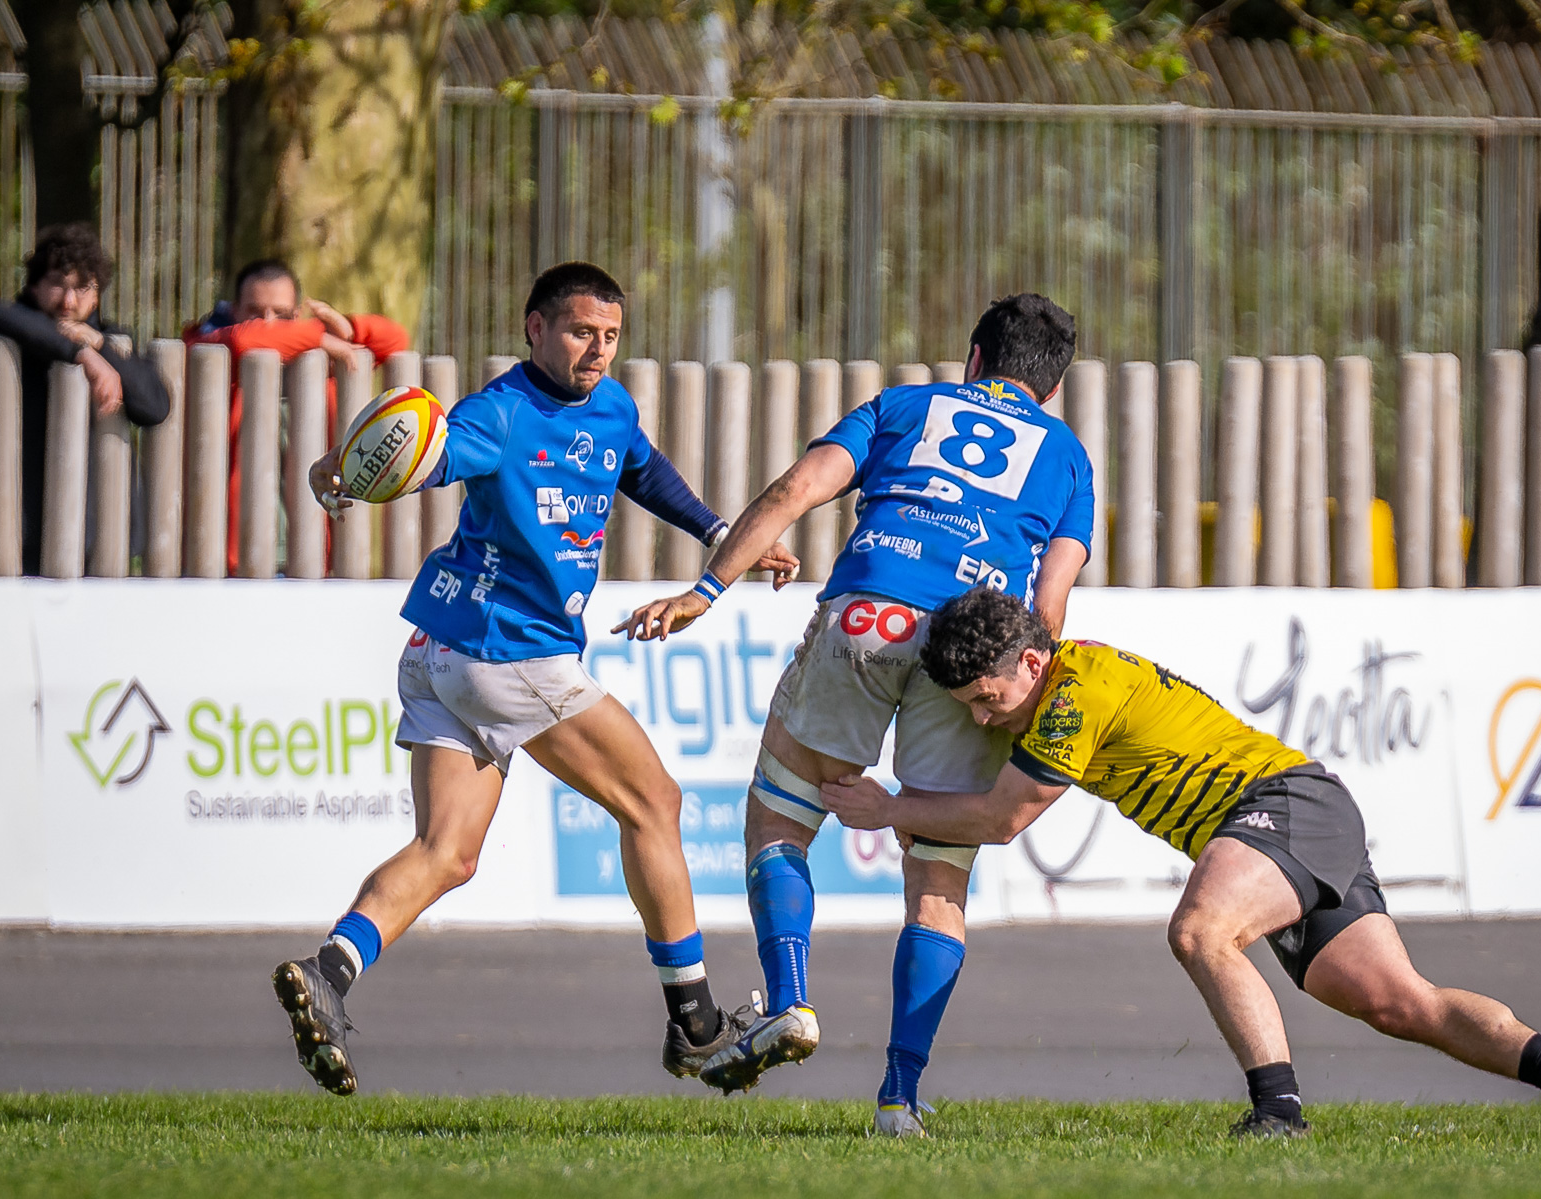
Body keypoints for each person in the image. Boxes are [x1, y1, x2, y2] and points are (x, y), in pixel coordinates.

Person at [821, 588, 1541, 1138]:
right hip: (1298, 814)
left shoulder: (1072, 693)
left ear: (1031, 663)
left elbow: (1004, 818)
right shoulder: (1060, 687)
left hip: (1284, 805)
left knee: (1201, 931)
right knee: (1400, 1001)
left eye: (985, 698)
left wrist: (889, 808)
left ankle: (1277, 1112)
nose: (982, 718)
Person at [276, 261, 798, 1096]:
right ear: (535, 328)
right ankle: (697, 1023)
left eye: (611, 335)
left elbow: (639, 467)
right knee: (655, 801)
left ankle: (328, 971)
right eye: (581, 331)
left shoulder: (611, 405)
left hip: (440, 651)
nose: (598, 350)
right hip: (509, 652)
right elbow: (430, 451)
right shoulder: (500, 412)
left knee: (447, 852)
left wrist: (720, 531)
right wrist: (344, 465)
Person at [616, 294, 1095, 1135]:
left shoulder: (905, 405)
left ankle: (791, 1000)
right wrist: (1020, 701)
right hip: (975, 645)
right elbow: (1050, 600)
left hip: (869, 613)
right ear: (1051, 390)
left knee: (779, 818)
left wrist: (705, 591)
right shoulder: (1067, 456)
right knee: (939, 880)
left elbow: (797, 489)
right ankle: (898, 1097)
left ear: (973, 357)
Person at [182, 259, 408, 574]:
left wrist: (347, 327)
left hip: (311, 559)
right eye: (254, 312)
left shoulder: (322, 365)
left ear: (297, 314)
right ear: (233, 311)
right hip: (232, 561)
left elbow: (396, 340)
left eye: (282, 314)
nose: (268, 322)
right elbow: (243, 340)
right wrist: (318, 335)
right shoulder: (214, 351)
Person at [0, 223, 169, 575]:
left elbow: (155, 407)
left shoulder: (111, 339)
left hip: (97, 538)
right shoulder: (5, 329)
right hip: (9, 531)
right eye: (57, 284)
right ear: (33, 285)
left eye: (82, 287)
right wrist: (82, 355)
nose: (68, 300)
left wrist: (100, 346)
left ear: (98, 294)